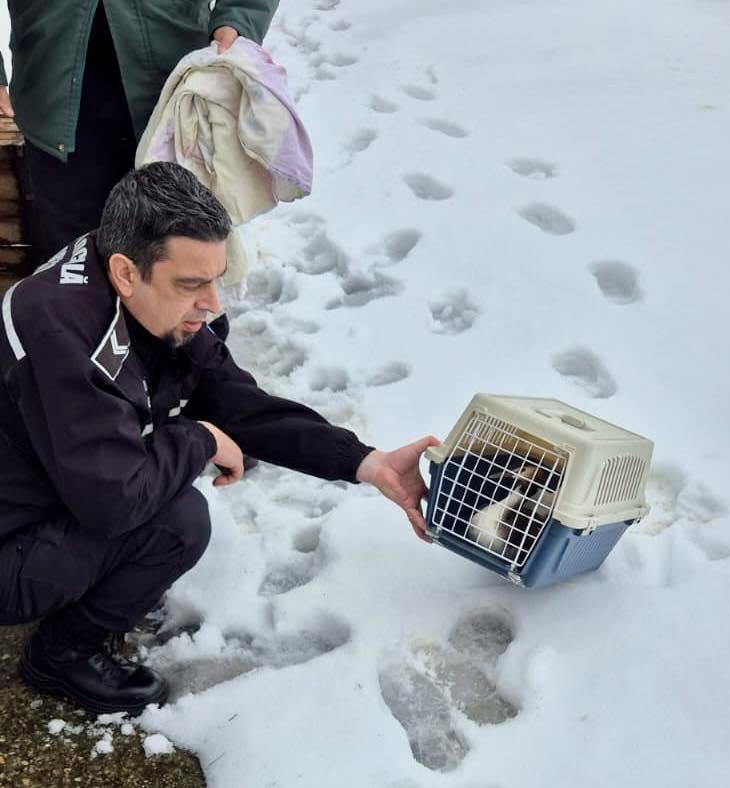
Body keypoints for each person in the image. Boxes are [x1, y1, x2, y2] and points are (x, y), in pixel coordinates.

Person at [0, 162, 438, 715]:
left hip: (44, 487)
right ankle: (62, 655)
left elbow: (233, 400)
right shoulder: (62, 331)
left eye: (217, 279)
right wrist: (199, 440)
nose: (214, 304)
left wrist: (363, 462)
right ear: (127, 272)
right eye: (192, 285)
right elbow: (114, 504)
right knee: (176, 520)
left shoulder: (126, 269)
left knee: (162, 493)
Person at [0, 0, 279, 265]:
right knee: (74, 264)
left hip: (172, 92)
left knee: (181, 253)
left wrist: (237, 20)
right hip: (51, 90)